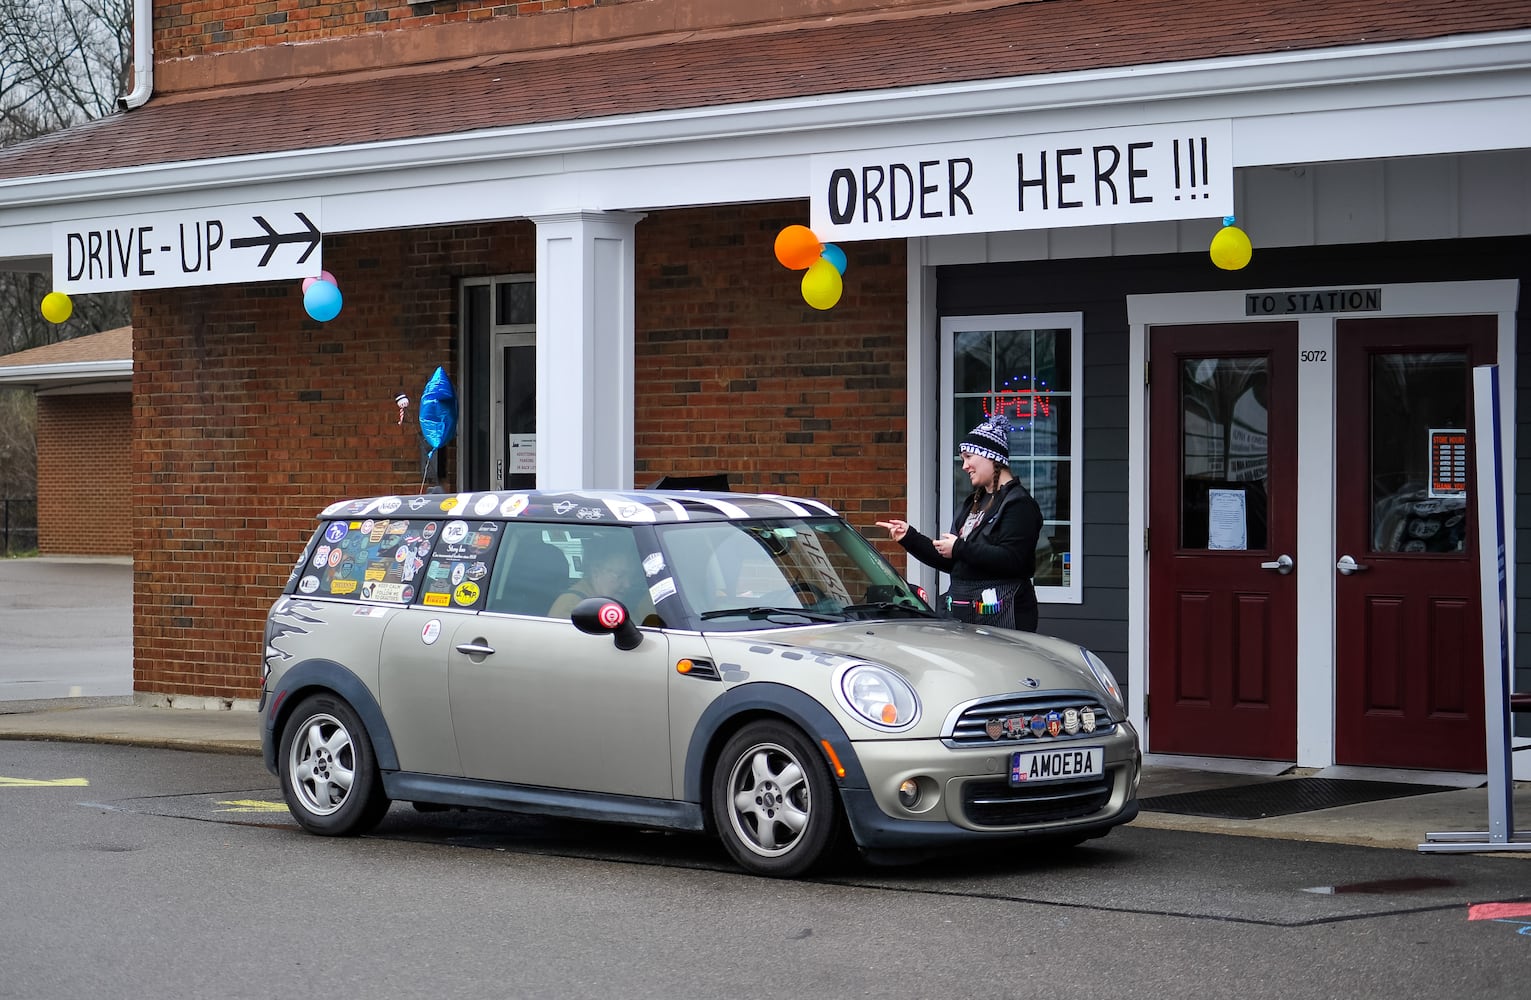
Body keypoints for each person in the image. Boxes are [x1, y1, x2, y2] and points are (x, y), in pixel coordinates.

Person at [876, 413, 1043, 632]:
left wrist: (959, 548)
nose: (964, 466)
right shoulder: (973, 503)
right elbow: (955, 561)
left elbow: (1013, 560)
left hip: (1004, 618)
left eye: (968, 457)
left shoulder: (1019, 505)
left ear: (990, 456)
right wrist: (910, 537)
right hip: (966, 615)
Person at [548, 533, 652, 621]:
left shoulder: (609, 601)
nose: (627, 584)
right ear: (595, 571)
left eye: (632, 576)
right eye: (620, 576)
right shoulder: (573, 609)